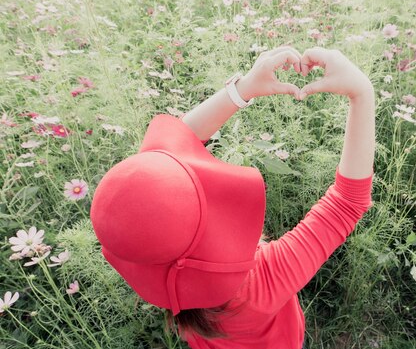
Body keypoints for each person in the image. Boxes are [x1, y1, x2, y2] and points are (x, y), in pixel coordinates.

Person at [90, 46, 375, 349]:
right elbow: (346, 203)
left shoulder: (142, 246)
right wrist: (362, 93)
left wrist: (245, 88)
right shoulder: (259, 282)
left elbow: (176, 141)